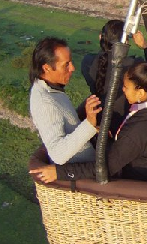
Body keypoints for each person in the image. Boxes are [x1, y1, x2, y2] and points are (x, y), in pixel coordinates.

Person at [29, 61, 147, 185]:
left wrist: (59, 172)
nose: (123, 90)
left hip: (143, 180)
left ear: (141, 92)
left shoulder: (138, 131)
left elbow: (105, 168)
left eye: (126, 87)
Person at [29, 37, 101, 165]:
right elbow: (58, 154)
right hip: (80, 173)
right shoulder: (45, 103)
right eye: (66, 64)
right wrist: (89, 123)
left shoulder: (51, 88)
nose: (72, 68)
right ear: (47, 68)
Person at [80, 20, 147, 133]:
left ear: (100, 37)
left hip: (96, 118)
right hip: (123, 124)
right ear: (125, 42)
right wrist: (145, 46)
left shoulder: (87, 61)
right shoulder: (134, 65)